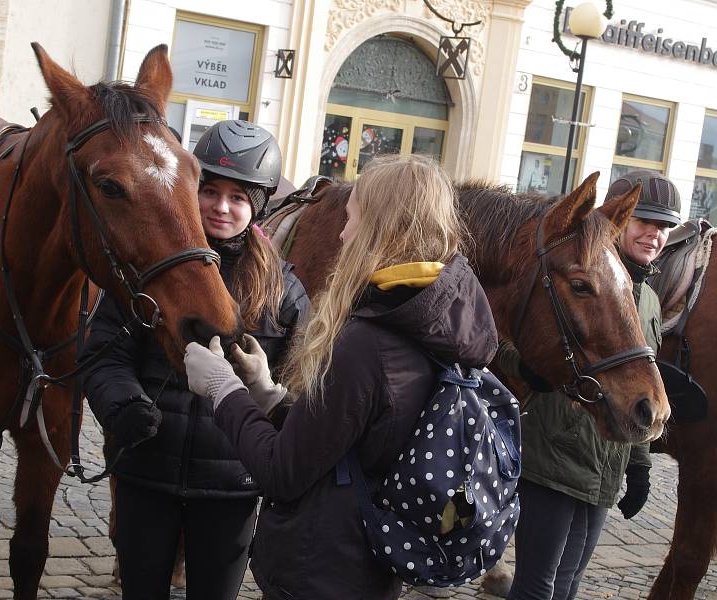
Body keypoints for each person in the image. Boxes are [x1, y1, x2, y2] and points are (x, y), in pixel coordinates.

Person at [183, 154, 499, 600]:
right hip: (366, 563)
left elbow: (282, 471)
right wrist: (269, 396)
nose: (342, 233)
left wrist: (223, 389)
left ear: (378, 229)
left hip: (324, 566)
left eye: (352, 219)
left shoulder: (366, 341)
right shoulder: (432, 318)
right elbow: (350, 434)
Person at [80, 120, 310, 600]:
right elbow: (104, 351)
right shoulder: (146, 265)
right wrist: (122, 404)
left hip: (233, 484)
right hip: (147, 471)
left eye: (239, 197)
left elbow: (302, 381)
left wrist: (271, 396)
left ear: (258, 205)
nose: (222, 207)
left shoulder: (282, 289)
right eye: (211, 190)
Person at [499, 169, 681, 600]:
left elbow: (641, 377)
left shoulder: (649, 298)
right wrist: (525, 369)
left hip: (605, 461)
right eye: (645, 223)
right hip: (555, 457)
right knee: (538, 586)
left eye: (664, 228)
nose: (654, 236)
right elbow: (506, 336)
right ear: (614, 223)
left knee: (569, 585)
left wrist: (638, 463)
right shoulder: (573, 273)